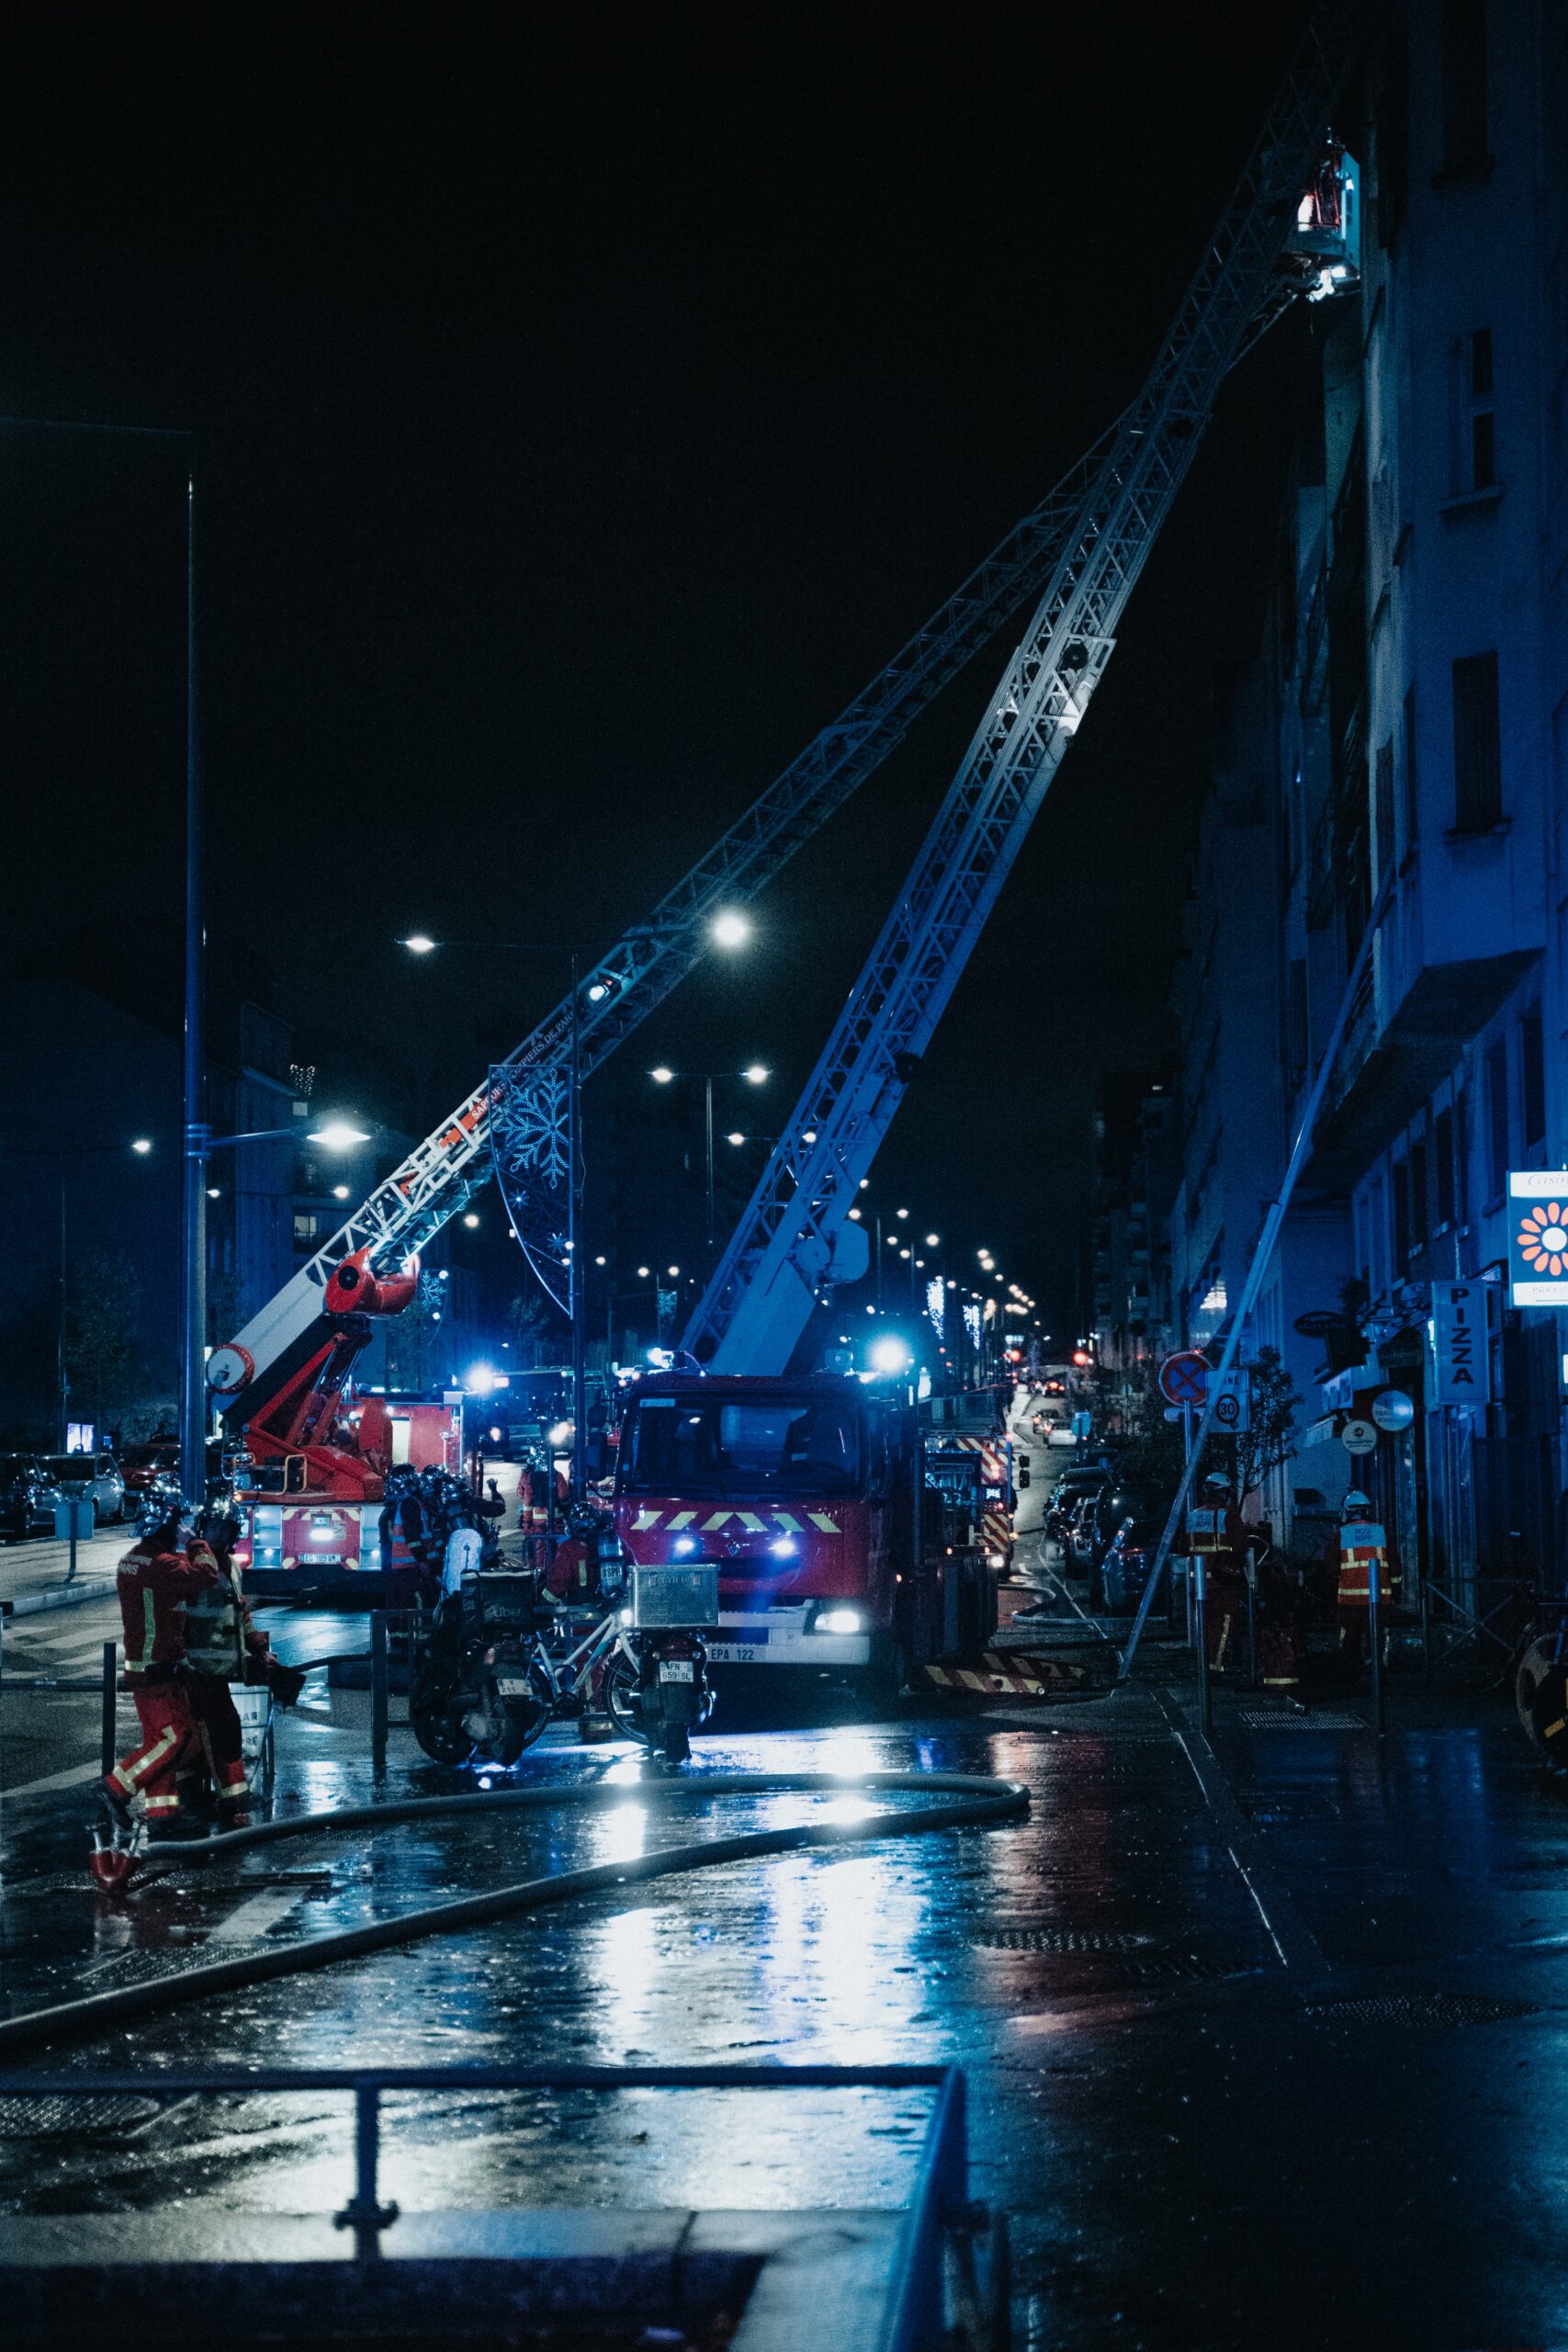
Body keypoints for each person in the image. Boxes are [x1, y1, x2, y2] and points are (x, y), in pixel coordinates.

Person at [100, 1500, 219, 1842]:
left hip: (148, 1664)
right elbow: (207, 1575)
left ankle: (162, 1815)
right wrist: (195, 1541)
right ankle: (117, 1787)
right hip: (157, 1667)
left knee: (162, 1739)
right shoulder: (162, 1565)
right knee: (173, 1737)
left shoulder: (134, 1559)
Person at [182, 1511, 308, 1826]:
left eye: (225, 1529)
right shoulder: (192, 1565)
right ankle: (212, 1797)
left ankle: (218, 1796)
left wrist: (260, 1650)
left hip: (219, 1667)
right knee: (212, 1730)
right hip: (196, 1668)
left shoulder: (232, 1566)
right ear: (201, 1529)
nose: (219, 1534)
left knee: (217, 1730)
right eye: (213, 1527)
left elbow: (241, 1613)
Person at [1328, 1490, 1401, 1672]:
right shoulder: (1383, 1532)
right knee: (1377, 1634)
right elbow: (1394, 1566)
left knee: (1350, 1635)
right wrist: (1396, 1592)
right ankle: (1376, 1669)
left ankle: (1351, 1669)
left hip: (1350, 1600)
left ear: (1348, 1512)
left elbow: (1330, 1568)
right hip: (1379, 1598)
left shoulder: (1341, 1534)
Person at [1187, 1470, 1250, 1677]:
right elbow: (1241, 1546)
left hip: (1198, 1585)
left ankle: (1205, 1667)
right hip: (1222, 1583)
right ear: (1223, 1493)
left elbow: (1183, 1546)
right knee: (1223, 1626)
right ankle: (1215, 1669)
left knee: (1204, 1627)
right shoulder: (1228, 1516)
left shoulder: (1193, 1515)